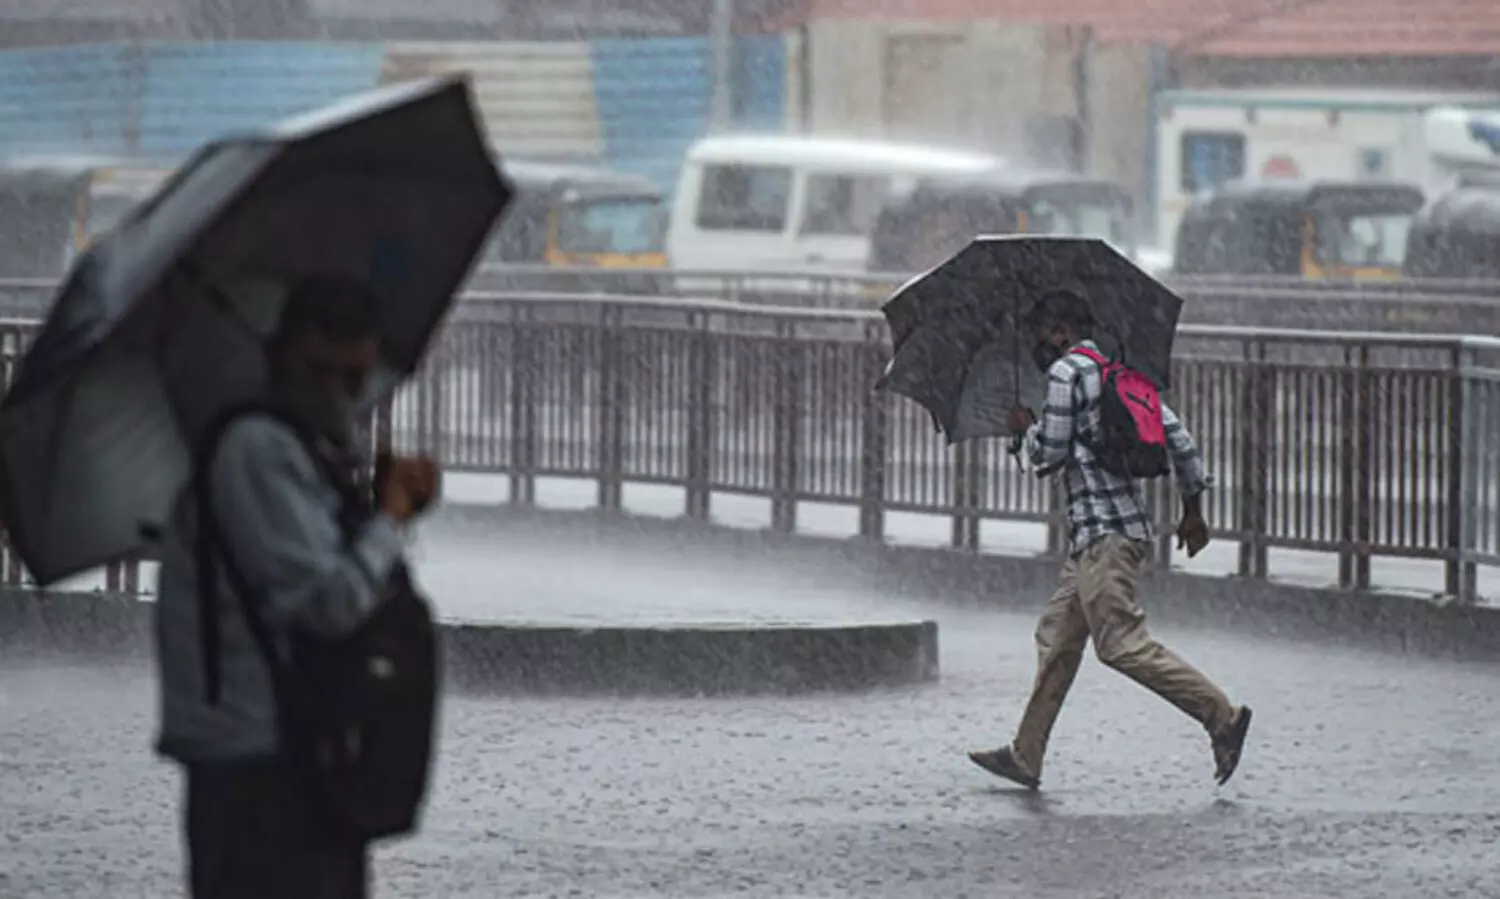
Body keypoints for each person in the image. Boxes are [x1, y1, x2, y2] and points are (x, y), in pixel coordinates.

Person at [153, 274, 442, 899]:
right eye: (322, 372)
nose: (338, 395)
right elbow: (327, 605)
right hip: (259, 762)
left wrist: (371, 510)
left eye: (354, 378)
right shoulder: (256, 449)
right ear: (279, 356)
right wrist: (388, 520)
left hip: (295, 753)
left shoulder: (296, 447)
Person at [968, 291, 1252, 790]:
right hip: (1113, 535)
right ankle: (1026, 754)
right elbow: (1180, 441)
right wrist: (1193, 511)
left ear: (1060, 332)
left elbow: (1048, 456)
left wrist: (1024, 431)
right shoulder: (1121, 374)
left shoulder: (1063, 374)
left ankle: (1222, 716)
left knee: (1121, 645)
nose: (1037, 347)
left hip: (1103, 537)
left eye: (1039, 335)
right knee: (1056, 638)